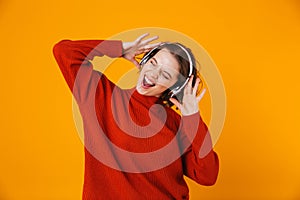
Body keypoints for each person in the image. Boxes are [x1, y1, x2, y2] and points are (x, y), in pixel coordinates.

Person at [53, 33, 219, 200]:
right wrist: (120, 49)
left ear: (174, 87)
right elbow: (63, 51)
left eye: (166, 75)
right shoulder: (101, 97)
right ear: (145, 60)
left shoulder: (178, 124)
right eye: (153, 63)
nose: (153, 74)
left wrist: (193, 118)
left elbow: (207, 176)